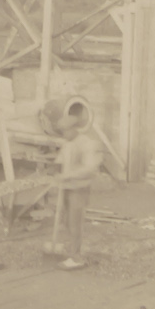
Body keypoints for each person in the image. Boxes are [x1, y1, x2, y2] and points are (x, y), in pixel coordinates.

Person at [44, 106, 106, 269]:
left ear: (73, 129)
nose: (63, 135)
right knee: (66, 221)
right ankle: (71, 250)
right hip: (67, 188)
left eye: (65, 132)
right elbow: (60, 160)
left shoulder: (86, 144)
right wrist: (55, 168)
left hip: (79, 188)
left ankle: (77, 258)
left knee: (74, 222)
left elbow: (89, 169)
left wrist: (67, 175)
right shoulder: (68, 144)